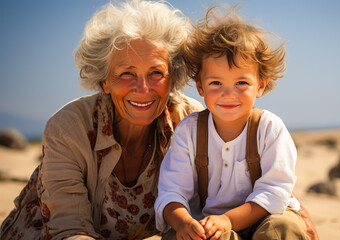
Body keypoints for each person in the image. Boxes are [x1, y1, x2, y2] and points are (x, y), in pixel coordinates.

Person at [0, 0, 203, 239]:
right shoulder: (69, 128)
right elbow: (70, 229)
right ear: (104, 81)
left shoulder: (189, 122)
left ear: (173, 77)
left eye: (156, 73)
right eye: (126, 73)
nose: (143, 88)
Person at [155, 6, 309, 240]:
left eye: (241, 83)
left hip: (265, 217)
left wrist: (229, 219)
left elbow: (275, 192)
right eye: (216, 82)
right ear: (200, 87)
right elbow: (171, 192)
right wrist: (183, 222)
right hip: (209, 223)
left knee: (284, 228)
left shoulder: (269, 129)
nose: (228, 94)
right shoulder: (189, 131)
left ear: (261, 85)